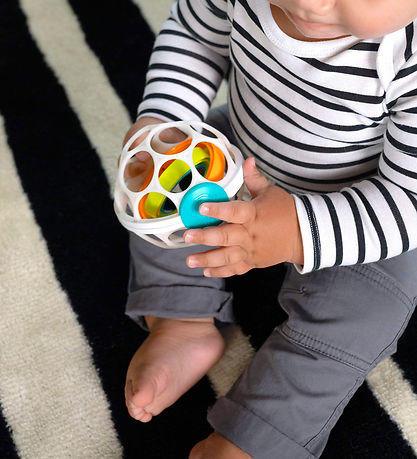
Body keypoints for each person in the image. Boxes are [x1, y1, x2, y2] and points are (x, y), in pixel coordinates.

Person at [121, 0, 417, 457]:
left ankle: (254, 434)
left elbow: (407, 201)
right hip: (237, 163)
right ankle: (181, 321)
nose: (308, 2)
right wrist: (165, 120)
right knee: (156, 200)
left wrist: (298, 232)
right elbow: (195, 38)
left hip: (360, 210)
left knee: (366, 313)